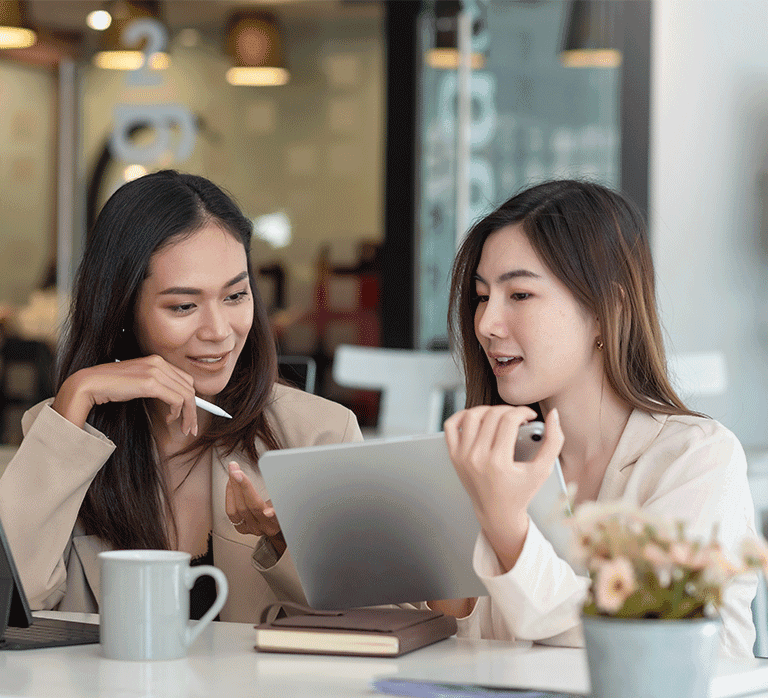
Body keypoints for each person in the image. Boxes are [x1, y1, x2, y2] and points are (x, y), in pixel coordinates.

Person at [0, 170, 362, 623]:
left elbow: (362, 624)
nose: (218, 331)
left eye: (235, 295)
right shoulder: (65, 432)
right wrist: (77, 393)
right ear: (123, 309)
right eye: (183, 306)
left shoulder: (319, 435)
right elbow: (13, 604)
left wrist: (284, 540)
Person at [437, 179, 757, 657]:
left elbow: (653, 642)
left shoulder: (696, 458)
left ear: (610, 308)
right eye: (482, 296)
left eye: (519, 295)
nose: (485, 324)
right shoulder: (488, 461)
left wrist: (506, 529)